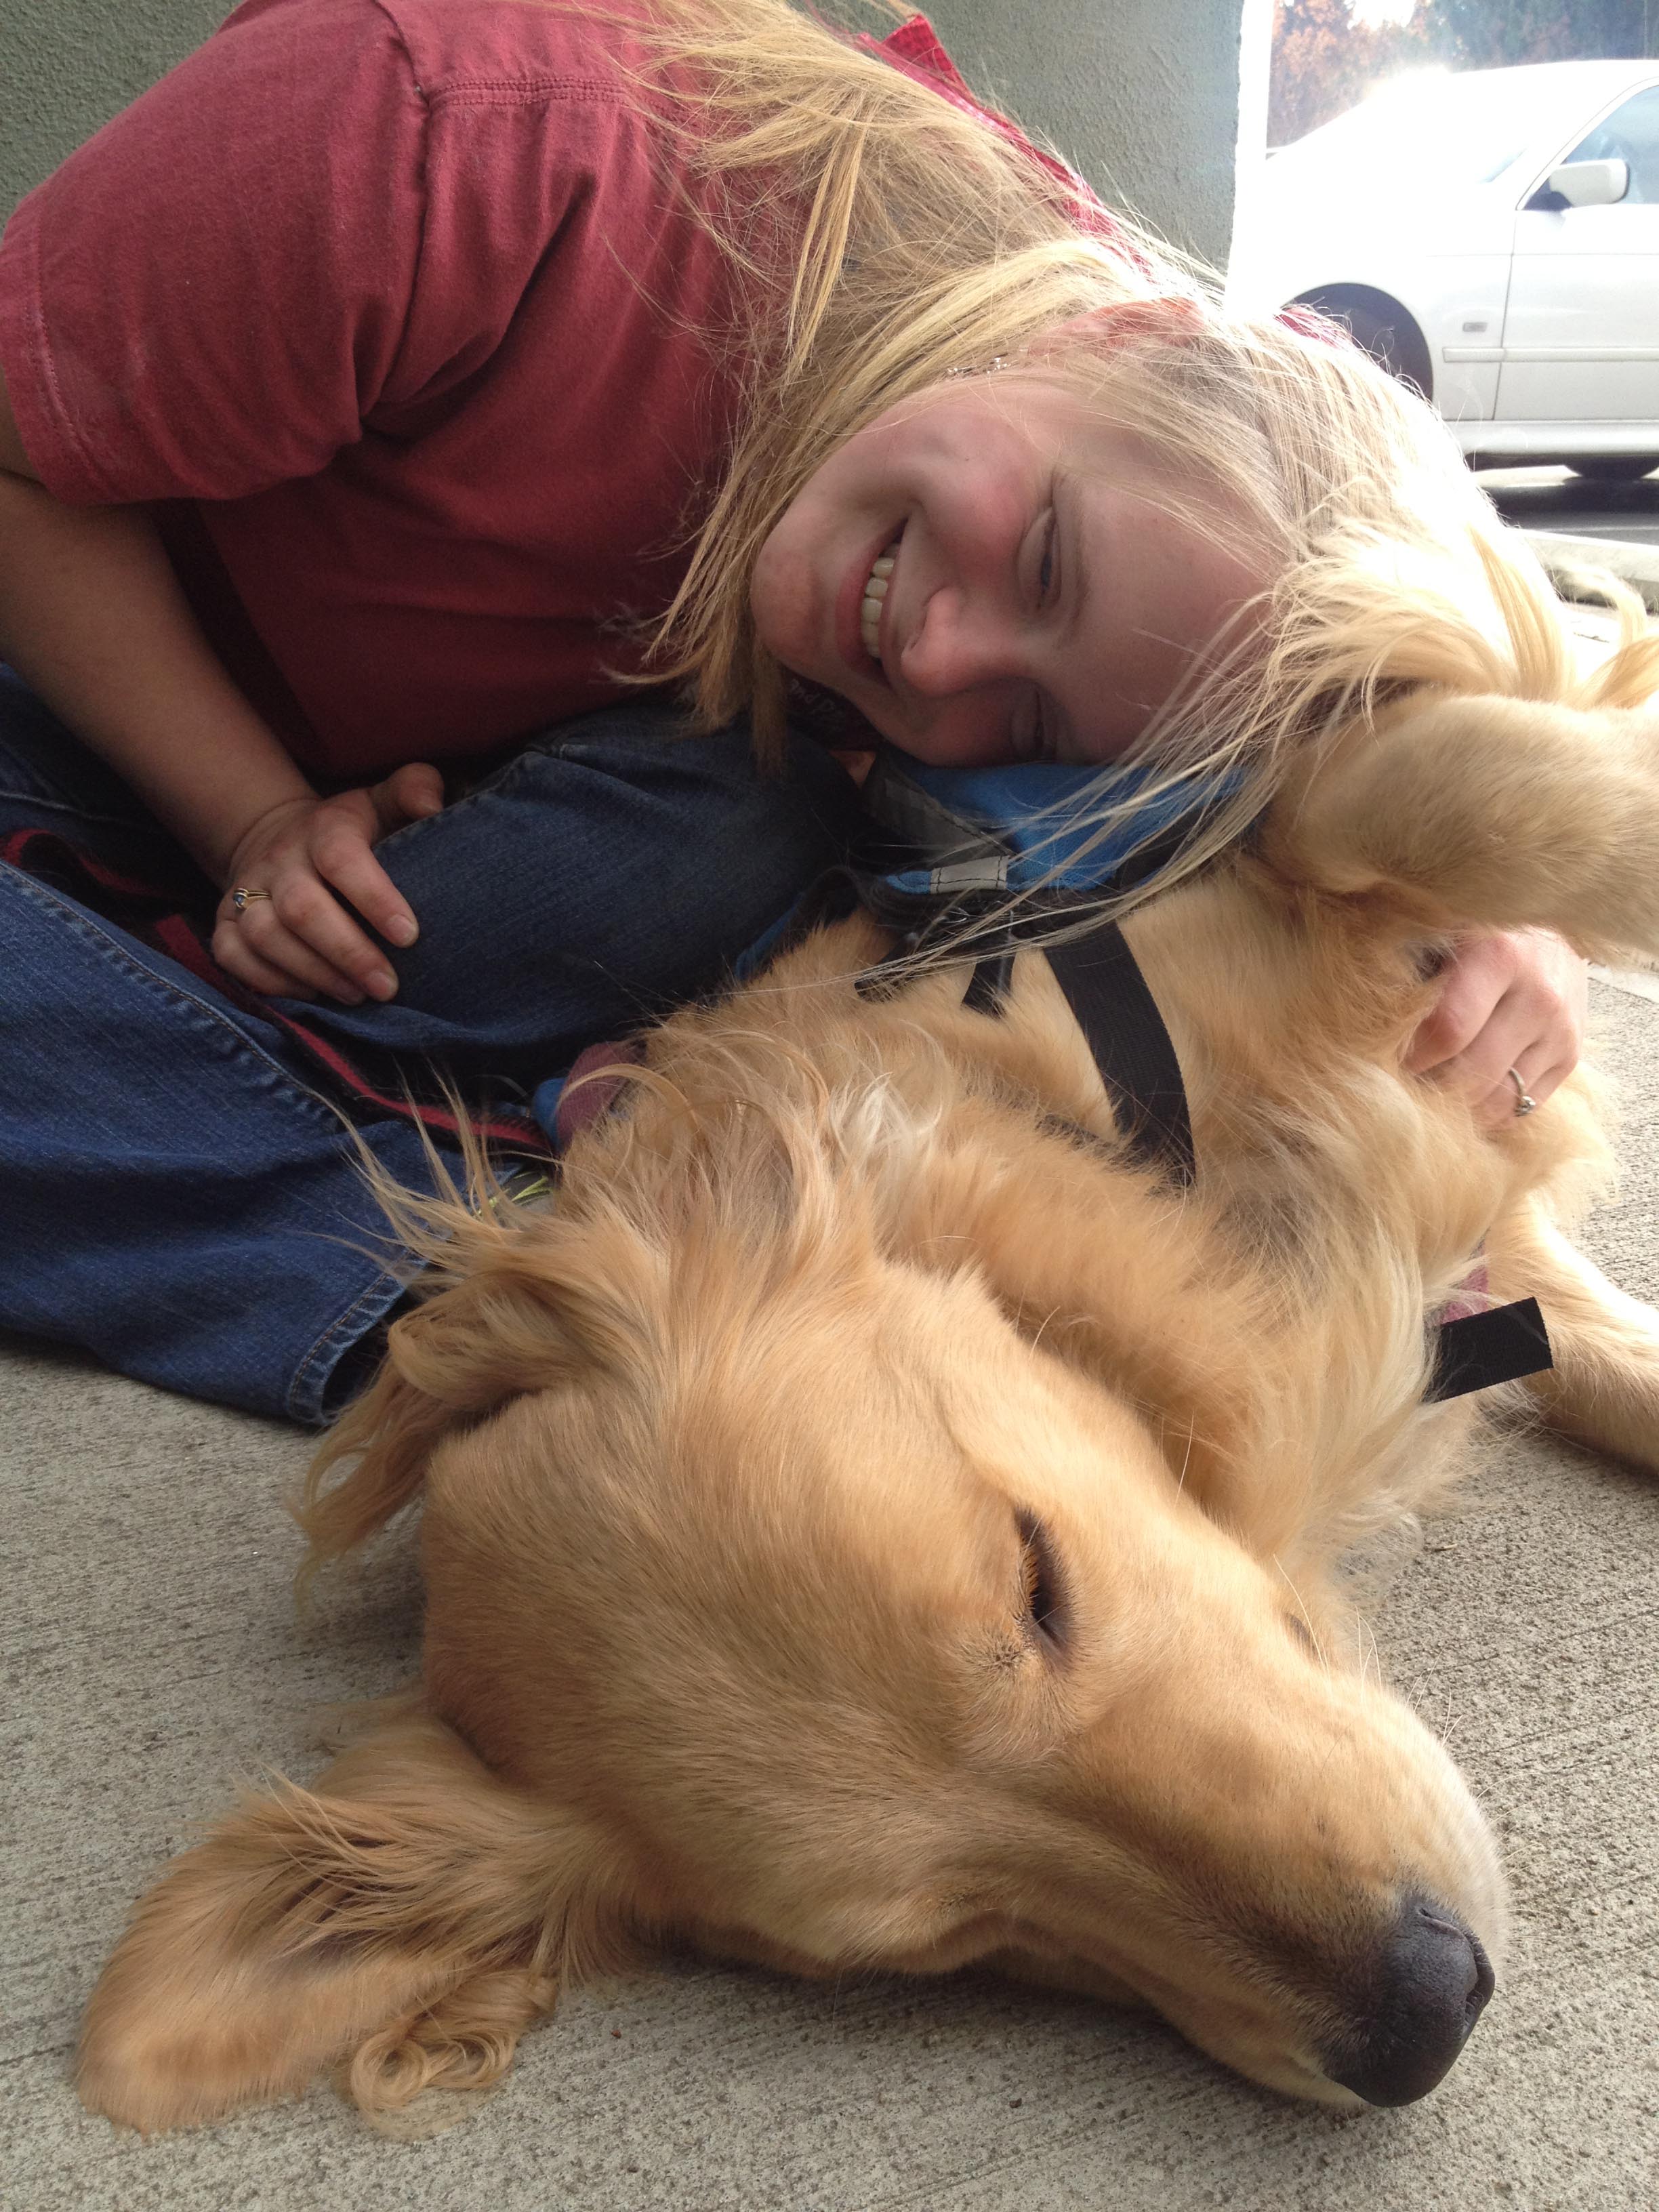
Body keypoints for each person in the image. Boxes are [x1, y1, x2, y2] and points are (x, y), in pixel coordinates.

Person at [0, 0, 1588, 1422]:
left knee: (765, 809)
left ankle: (367, 1108)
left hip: (417, 854)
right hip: (78, 712)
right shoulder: (444, 124)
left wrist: (1485, 910)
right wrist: (256, 814)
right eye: (1041, 556)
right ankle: (550, 1273)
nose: (948, 656)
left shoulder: (1115, 487)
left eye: (1031, 713)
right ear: (1117, 335)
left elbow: (1317, 714)